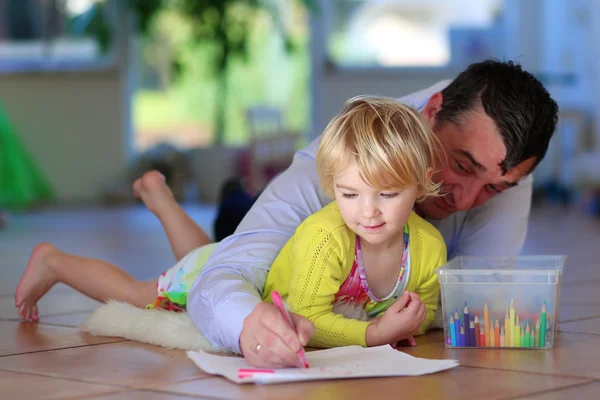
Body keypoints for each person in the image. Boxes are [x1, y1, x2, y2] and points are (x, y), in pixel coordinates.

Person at [184, 59, 559, 367]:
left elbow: (476, 298)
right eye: (462, 167)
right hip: (263, 222)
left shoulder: (503, 162)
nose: (464, 201)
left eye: (493, 189)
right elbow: (219, 279)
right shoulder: (325, 172)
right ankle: (233, 198)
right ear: (432, 112)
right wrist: (247, 324)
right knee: (197, 258)